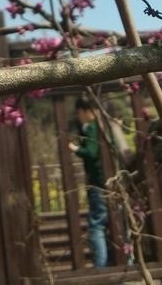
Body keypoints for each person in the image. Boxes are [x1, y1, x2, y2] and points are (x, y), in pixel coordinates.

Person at [69, 94, 108, 268]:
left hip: (98, 184)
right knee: (114, 223)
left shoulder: (92, 128)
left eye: (78, 113)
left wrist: (76, 149)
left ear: (84, 111)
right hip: (108, 183)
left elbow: (92, 152)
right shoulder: (102, 126)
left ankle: (100, 267)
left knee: (96, 225)